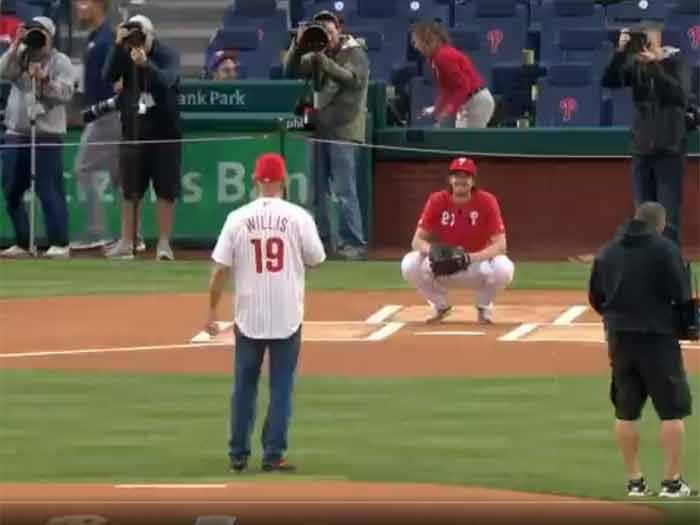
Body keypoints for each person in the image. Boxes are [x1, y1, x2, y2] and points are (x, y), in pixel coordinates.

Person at [205, 153, 326, 473]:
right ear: (283, 181)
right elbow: (316, 259)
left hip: (248, 314)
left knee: (243, 385)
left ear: (256, 181)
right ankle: (273, 454)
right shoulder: (298, 216)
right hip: (287, 313)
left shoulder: (237, 217)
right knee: (281, 386)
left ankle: (238, 454)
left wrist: (211, 310)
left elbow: (219, 271)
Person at [588, 202, 696, 498]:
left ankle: (635, 482)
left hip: (619, 339)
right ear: (660, 224)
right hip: (658, 338)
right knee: (672, 411)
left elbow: (596, 298)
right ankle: (672, 483)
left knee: (626, 411)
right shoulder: (665, 250)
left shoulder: (607, 251)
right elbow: (681, 294)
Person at [283, 10, 369, 260]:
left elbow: (351, 80)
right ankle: (319, 241)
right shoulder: (317, 52)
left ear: (339, 31)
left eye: (331, 32)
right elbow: (291, 69)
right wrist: (298, 45)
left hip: (344, 127)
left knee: (344, 191)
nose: (327, 37)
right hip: (319, 127)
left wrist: (322, 60)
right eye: (323, 32)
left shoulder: (355, 52)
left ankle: (352, 243)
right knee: (316, 190)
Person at [602, 22, 689, 246]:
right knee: (642, 218)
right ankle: (644, 272)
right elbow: (610, 81)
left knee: (667, 219)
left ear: (658, 39)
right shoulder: (636, 66)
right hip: (641, 150)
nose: (643, 44)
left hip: (669, 150)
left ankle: (670, 269)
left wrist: (656, 65)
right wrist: (620, 53)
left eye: (646, 38)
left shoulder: (676, 62)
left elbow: (680, 95)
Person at [103, 14, 181, 260]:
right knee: (130, 190)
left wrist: (146, 64)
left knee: (165, 190)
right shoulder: (124, 51)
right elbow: (108, 75)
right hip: (133, 129)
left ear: (151, 36)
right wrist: (117, 46)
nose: (136, 42)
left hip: (165, 131)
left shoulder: (167, 54)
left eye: (140, 36)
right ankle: (127, 242)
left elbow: (168, 81)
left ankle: (164, 244)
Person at [401, 157, 514, 324]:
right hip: (444, 264)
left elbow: (500, 246)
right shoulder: (437, 200)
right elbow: (417, 241)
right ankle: (440, 306)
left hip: (477, 265)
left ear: (473, 181)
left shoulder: (487, 201)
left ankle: (483, 306)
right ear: (450, 179)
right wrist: (436, 251)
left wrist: (469, 257)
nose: (460, 180)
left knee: (505, 268)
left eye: (466, 176)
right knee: (409, 263)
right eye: (456, 176)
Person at [0, 16, 74, 259]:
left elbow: (66, 94)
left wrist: (44, 80)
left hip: (46, 135)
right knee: (11, 189)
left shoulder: (60, 61)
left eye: (41, 33)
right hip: (16, 132)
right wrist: (14, 45)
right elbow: (3, 71)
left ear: (51, 36)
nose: (36, 37)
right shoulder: (20, 54)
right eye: (33, 31)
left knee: (49, 189)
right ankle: (23, 242)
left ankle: (59, 242)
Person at [70, 0, 122, 251]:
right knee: (120, 177)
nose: (79, 7)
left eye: (84, 2)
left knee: (83, 169)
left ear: (99, 5)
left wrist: (98, 110)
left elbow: (114, 80)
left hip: (108, 115)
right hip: (103, 114)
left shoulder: (106, 39)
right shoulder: (95, 37)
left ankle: (97, 231)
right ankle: (131, 236)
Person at [410, 20, 494, 129]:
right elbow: (447, 89)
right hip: (468, 102)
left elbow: (463, 87)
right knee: (459, 140)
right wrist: (437, 110)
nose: (415, 46)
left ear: (428, 40)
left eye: (417, 41)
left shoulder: (444, 56)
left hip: (476, 102)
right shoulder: (435, 59)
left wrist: (448, 110)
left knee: (467, 143)